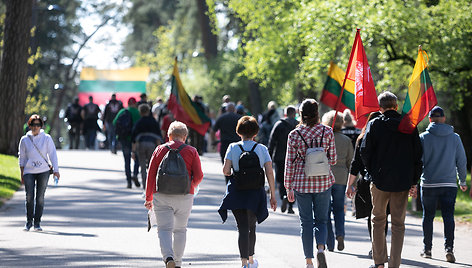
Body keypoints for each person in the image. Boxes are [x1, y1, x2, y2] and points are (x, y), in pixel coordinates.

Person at [360, 91, 423, 268]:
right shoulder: (409, 125)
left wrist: (372, 172)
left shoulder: (374, 124)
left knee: (378, 221)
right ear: (396, 106)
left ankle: (379, 262)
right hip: (402, 182)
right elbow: (418, 155)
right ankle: (394, 264)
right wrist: (414, 180)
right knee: (398, 224)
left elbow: (365, 151)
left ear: (380, 108)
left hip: (379, 181)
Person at [218, 116, 277, 268]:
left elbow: (226, 171)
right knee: (252, 227)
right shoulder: (262, 149)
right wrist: (273, 195)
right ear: (255, 133)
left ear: (239, 132)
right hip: (255, 193)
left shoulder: (232, 147)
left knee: (242, 227)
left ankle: (244, 262)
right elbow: (270, 173)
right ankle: (251, 260)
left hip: (238, 192)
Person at [285, 99, 337, 268]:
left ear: (301, 114)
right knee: (322, 220)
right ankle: (321, 248)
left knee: (306, 222)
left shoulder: (294, 135)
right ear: (317, 113)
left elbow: (289, 162)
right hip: (323, 182)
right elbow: (334, 160)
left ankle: (308, 261)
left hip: (301, 183)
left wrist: (288, 186)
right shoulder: (327, 131)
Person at [144, 121, 203, 268]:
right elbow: (199, 175)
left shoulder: (159, 150)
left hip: (161, 195)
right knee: (180, 229)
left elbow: (151, 175)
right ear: (185, 136)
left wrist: (148, 198)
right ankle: (177, 262)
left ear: (169, 136)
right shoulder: (191, 151)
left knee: (164, 229)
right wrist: (192, 186)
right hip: (185, 195)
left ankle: (168, 257)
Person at [418, 106, 467, 263]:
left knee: (428, 216)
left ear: (430, 119)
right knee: (448, 217)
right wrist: (463, 180)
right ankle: (449, 249)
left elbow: (418, 162)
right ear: (444, 119)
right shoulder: (455, 138)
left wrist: (413, 181)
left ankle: (427, 249)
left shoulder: (423, 138)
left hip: (429, 183)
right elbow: (462, 160)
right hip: (449, 184)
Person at [346, 112, 389, 258]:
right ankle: (381, 246)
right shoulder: (387, 138)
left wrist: (349, 184)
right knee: (383, 216)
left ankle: (375, 247)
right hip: (385, 181)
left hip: (366, 182)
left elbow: (355, 164)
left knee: (373, 217)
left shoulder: (362, 138)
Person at [18, 114, 60, 231]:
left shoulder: (46, 138)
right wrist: (22, 173)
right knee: (29, 197)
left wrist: (56, 170)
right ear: (29, 126)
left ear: (41, 126)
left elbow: (53, 154)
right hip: (29, 171)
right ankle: (28, 222)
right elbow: (22, 158)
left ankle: (37, 223)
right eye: (33, 124)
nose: (35, 127)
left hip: (43, 171)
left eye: (38, 125)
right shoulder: (24, 140)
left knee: (40, 198)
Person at [321, 110, 353, 252]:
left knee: (326, 211)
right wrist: (352, 183)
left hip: (325, 177)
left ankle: (330, 242)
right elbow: (350, 162)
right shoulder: (346, 140)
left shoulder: (324, 138)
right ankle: (340, 234)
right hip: (341, 178)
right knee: (339, 210)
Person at [268, 105, 298, 213]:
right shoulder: (298, 125)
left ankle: (283, 196)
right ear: (294, 114)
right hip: (295, 158)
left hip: (280, 157)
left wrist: (269, 157)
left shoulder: (278, 124)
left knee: (281, 180)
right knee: (293, 181)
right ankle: (291, 205)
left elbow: (272, 142)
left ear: (285, 113)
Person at [131, 103, 162, 189]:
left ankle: (145, 185)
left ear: (140, 112)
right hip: (152, 145)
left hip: (141, 145)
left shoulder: (138, 123)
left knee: (142, 165)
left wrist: (133, 152)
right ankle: (152, 185)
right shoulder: (154, 122)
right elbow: (158, 137)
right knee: (152, 166)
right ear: (148, 111)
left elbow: (133, 139)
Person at [114, 97, 141, 189]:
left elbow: (114, 123)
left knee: (127, 160)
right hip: (135, 140)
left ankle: (128, 181)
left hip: (124, 138)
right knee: (137, 158)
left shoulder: (122, 111)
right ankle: (135, 174)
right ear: (135, 103)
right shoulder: (138, 112)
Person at [212, 102, 242, 183]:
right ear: (235, 109)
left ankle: (228, 182)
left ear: (226, 109)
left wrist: (213, 140)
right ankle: (236, 181)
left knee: (226, 164)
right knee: (238, 164)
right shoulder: (239, 118)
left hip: (225, 144)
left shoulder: (221, 118)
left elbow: (213, 130)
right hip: (238, 145)